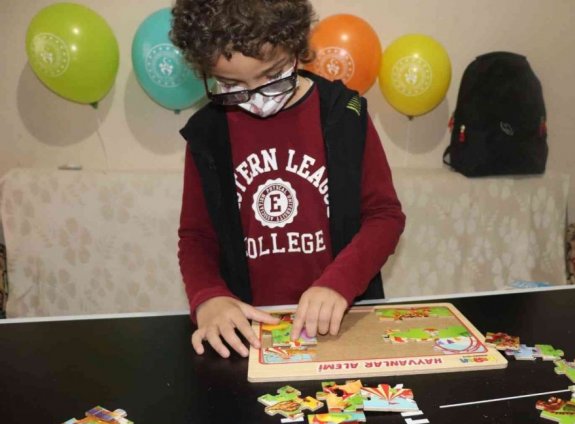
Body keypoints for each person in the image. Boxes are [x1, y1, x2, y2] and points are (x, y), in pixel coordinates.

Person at [171, 0, 405, 359]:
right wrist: (209, 298)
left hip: (342, 323)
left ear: (295, 46)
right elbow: (196, 236)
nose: (257, 100)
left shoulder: (345, 115)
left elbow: (384, 216)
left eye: (272, 75)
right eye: (231, 84)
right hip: (250, 335)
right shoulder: (207, 134)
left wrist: (339, 284)